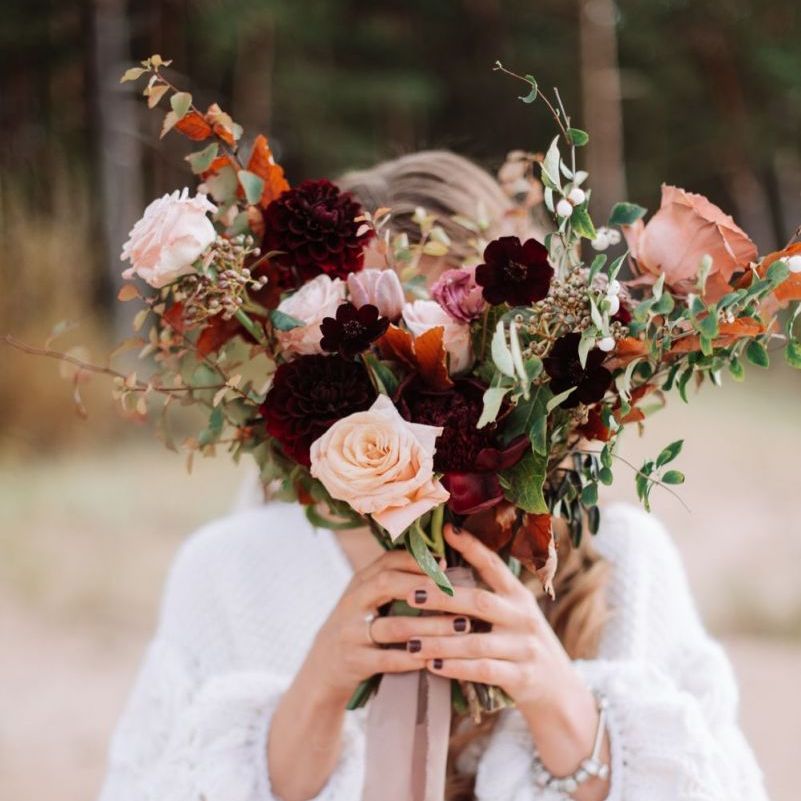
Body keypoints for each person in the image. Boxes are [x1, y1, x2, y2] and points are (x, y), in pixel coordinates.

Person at [98, 151, 768, 801]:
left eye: (460, 351)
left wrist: (559, 701)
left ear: (537, 361)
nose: (421, 392)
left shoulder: (623, 564)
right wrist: (318, 691)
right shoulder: (228, 572)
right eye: (380, 351)